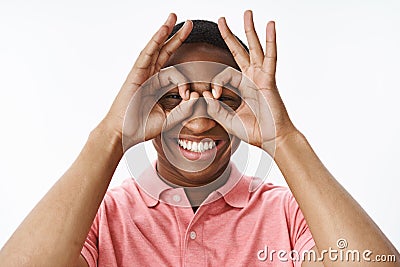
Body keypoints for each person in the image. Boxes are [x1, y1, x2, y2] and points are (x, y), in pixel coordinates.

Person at [0, 10, 398, 267]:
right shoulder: (101, 215)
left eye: (226, 99)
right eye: (173, 97)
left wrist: (284, 139)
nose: (199, 122)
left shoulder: (287, 215)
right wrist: (112, 134)